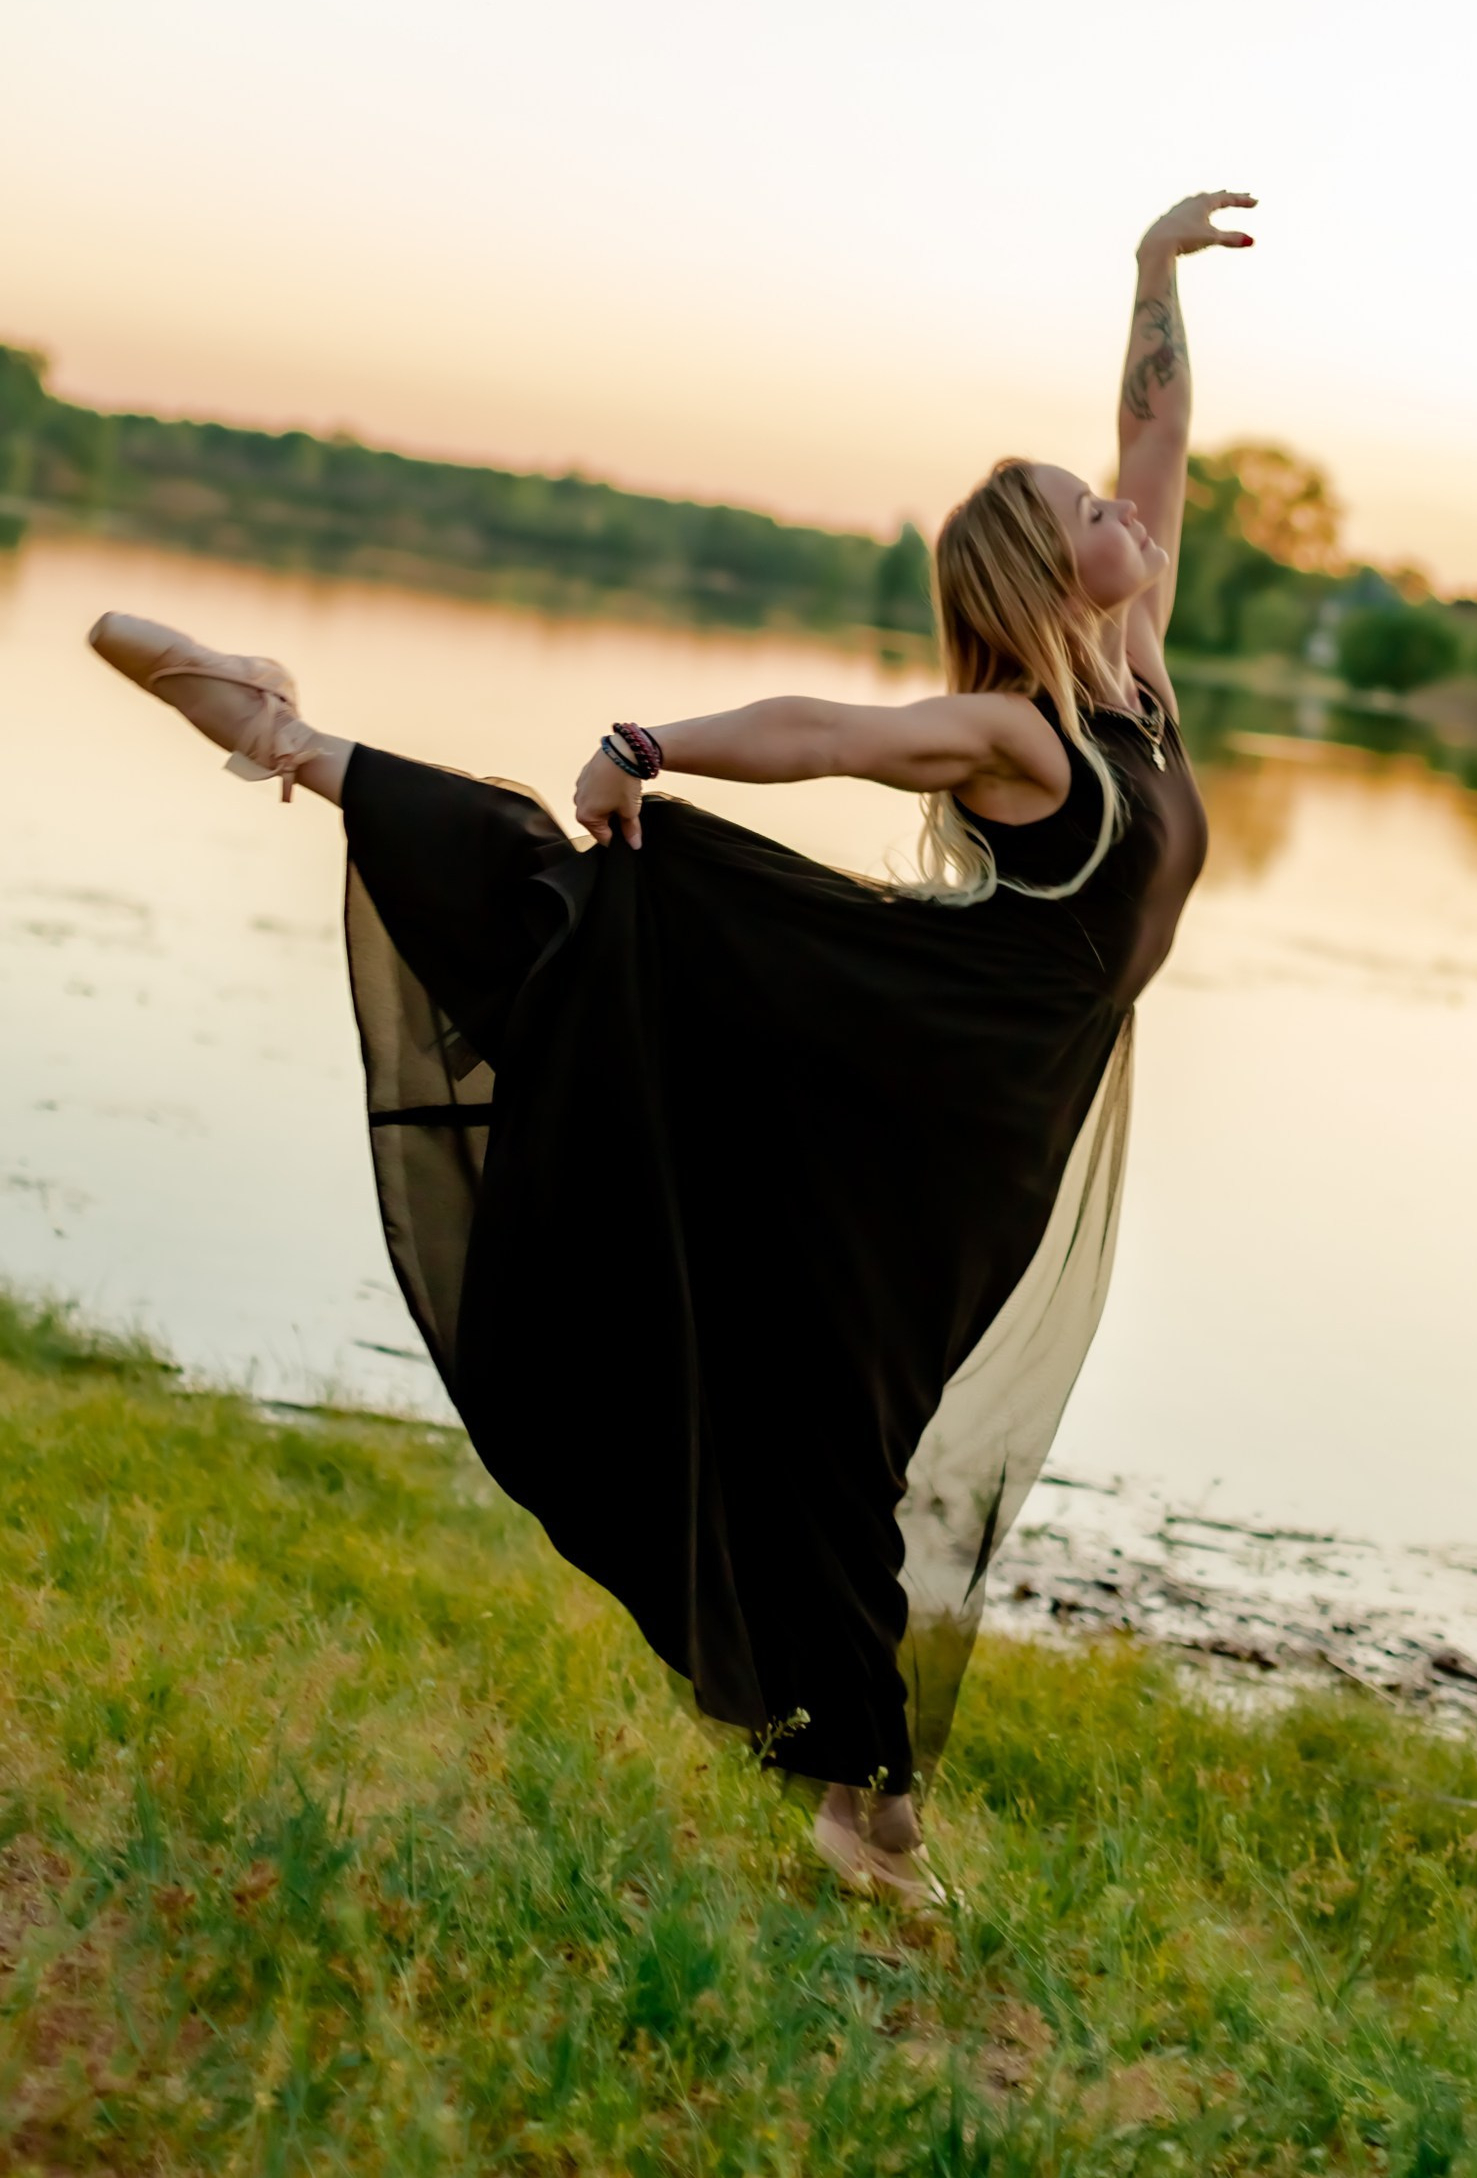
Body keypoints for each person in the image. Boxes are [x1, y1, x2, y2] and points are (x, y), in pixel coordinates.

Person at [89, 189, 1254, 1906]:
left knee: (855, 1413)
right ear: (1040, 572)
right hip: (911, 1070)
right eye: (1091, 514)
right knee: (595, 940)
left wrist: (1152, 274)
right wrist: (649, 742)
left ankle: (865, 1798)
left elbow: (1157, 434)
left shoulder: (1135, 679)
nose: (1128, 511)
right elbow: (828, 730)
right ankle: (290, 739)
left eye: (1114, 505)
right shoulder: (1018, 731)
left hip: (992, 1116)